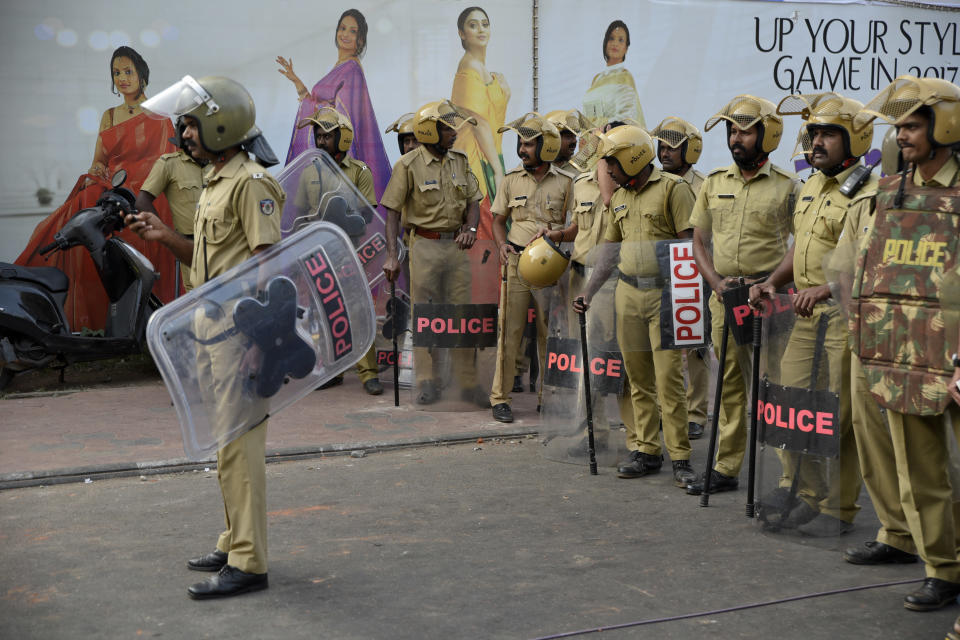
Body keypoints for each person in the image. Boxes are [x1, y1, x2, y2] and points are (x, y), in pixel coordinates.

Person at [127, 76, 284, 599]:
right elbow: (207, 268)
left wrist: (261, 344)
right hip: (214, 335)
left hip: (242, 338)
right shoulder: (216, 181)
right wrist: (165, 235)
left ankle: (249, 562)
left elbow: (267, 268)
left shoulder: (250, 183)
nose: (185, 132)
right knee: (226, 447)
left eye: (192, 123)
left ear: (221, 125)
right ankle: (233, 539)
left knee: (240, 449)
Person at [847, 75, 960, 612]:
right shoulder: (888, 192)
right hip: (904, 355)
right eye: (900, 127)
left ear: (946, 125)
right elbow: (873, 270)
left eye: (913, 125)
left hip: (956, 360)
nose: (903, 135)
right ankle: (943, 568)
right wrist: (867, 340)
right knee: (918, 475)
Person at [749, 93, 875, 536]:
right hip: (802, 312)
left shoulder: (869, 194)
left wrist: (824, 288)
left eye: (827, 134)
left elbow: (866, 264)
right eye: (814, 133)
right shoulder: (813, 186)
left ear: (855, 138)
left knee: (837, 414)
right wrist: (773, 282)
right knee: (792, 405)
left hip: (842, 315)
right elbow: (800, 248)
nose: (816, 142)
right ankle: (801, 488)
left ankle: (838, 508)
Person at [15, 46, 177, 331]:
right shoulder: (110, 115)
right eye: (116, 73)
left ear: (142, 75)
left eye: (128, 72)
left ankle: (143, 323)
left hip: (144, 192)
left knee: (118, 208)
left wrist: (134, 187)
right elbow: (98, 162)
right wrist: (95, 173)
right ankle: (33, 294)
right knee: (86, 201)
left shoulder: (159, 114)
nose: (122, 78)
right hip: (113, 188)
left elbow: (166, 165)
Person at [687, 95, 801, 495]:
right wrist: (715, 282)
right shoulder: (714, 182)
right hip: (726, 298)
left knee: (775, 387)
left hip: (770, 299)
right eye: (732, 130)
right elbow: (698, 239)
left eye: (745, 131)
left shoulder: (788, 187)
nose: (736, 138)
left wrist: (772, 280)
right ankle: (725, 469)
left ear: (767, 134)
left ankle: (791, 478)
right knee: (730, 385)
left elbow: (800, 243)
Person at [573, 125, 696, 486]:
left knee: (669, 379)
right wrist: (589, 292)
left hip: (666, 294)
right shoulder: (621, 198)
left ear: (632, 157)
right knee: (638, 379)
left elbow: (688, 247)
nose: (607, 170)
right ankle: (647, 450)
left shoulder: (674, 190)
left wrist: (688, 302)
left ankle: (681, 456)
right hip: (628, 293)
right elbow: (610, 252)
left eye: (612, 162)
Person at [841, 127, 919, 566]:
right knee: (871, 435)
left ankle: (946, 547)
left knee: (926, 451)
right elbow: (845, 263)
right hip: (867, 334)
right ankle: (897, 532)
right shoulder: (869, 202)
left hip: (923, 343)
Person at [380, 101, 486, 406]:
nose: (453, 133)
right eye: (446, 128)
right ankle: (427, 380)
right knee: (427, 316)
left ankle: (467, 383)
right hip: (423, 245)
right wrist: (392, 255)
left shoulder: (460, 161)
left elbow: (474, 202)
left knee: (461, 316)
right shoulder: (407, 165)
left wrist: (472, 229)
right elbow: (392, 212)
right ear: (430, 131)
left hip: (456, 247)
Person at [489, 113, 574, 423]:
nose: (522, 150)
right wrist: (501, 246)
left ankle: (547, 396)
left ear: (546, 147)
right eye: (520, 144)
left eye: (528, 144)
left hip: (551, 266)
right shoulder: (510, 179)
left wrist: (560, 236)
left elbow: (577, 224)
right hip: (516, 263)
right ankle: (500, 398)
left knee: (549, 335)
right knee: (508, 333)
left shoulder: (567, 182)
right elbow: (498, 220)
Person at [296, 107, 383, 395]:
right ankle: (332, 370)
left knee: (358, 310)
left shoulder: (360, 172)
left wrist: (341, 218)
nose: (320, 142)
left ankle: (368, 372)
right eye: (318, 136)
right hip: (315, 253)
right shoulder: (309, 170)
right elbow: (298, 213)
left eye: (326, 137)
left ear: (342, 139)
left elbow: (368, 215)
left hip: (348, 251)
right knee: (323, 313)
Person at [277, 8, 391, 202]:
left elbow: (341, 117)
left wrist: (316, 110)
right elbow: (323, 106)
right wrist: (298, 83)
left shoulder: (352, 69)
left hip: (336, 159)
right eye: (342, 28)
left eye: (352, 31)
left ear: (361, 40)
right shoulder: (340, 66)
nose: (345, 34)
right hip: (327, 154)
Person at [650, 116, 710, 441]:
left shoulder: (704, 185)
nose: (665, 152)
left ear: (691, 149)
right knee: (665, 350)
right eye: (661, 146)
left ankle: (697, 413)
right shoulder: (653, 184)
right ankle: (667, 410)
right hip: (661, 278)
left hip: (695, 275)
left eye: (672, 146)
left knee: (696, 348)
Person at [451, 6, 510, 241]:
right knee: (486, 231)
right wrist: (498, 172)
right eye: (472, 25)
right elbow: (479, 123)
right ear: (462, 33)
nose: (480, 29)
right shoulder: (469, 68)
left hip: (492, 156)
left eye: (484, 24)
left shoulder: (485, 70)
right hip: (479, 162)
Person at [136, 118, 206, 293]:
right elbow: (142, 201)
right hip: (192, 246)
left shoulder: (219, 164)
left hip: (225, 244)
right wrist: (168, 236)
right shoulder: (169, 164)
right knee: (202, 299)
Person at [582, 20, 646, 130]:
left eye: (621, 40)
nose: (615, 43)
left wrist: (601, 130)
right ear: (605, 42)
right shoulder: (597, 79)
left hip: (611, 140)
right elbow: (590, 114)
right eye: (611, 38)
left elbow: (626, 118)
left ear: (626, 48)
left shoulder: (625, 76)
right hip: (590, 140)